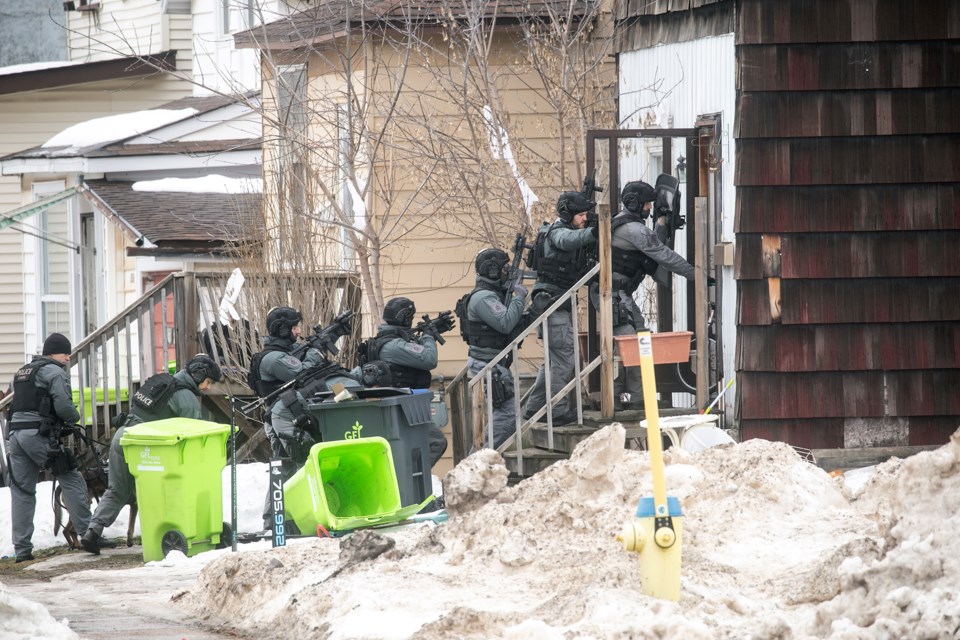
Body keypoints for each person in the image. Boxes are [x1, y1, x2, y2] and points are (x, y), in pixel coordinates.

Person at [81, 354, 223, 554]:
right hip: (144, 446)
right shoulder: (186, 397)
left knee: (117, 490)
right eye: (208, 382)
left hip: (122, 437)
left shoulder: (162, 382)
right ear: (198, 375)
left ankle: (92, 532)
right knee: (161, 491)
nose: (208, 388)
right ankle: (170, 532)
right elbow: (194, 434)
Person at [600, 179, 697, 408]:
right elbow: (663, 255)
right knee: (632, 343)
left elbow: (652, 244)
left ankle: (631, 397)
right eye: (646, 204)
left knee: (636, 338)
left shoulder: (627, 224)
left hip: (618, 295)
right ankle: (628, 400)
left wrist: (662, 224)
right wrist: (697, 275)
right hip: (613, 295)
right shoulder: (633, 229)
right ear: (635, 204)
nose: (649, 208)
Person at [6, 333, 92, 563]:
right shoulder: (55, 372)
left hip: (15, 436)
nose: (68, 357)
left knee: (22, 492)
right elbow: (63, 407)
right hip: (38, 435)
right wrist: (74, 417)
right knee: (72, 478)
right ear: (54, 353)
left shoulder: (23, 372)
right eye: (66, 353)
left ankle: (22, 549)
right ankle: (89, 535)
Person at [521, 190, 599, 426]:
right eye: (581, 215)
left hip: (555, 303)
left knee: (554, 360)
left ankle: (535, 406)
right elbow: (569, 240)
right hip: (552, 303)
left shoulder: (560, 229)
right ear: (568, 215)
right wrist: (596, 231)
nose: (584, 218)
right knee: (566, 358)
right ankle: (555, 410)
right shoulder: (558, 233)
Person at [248, 306, 324, 532]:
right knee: (291, 464)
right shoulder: (273, 357)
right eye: (294, 327)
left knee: (286, 467)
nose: (298, 331)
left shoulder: (283, 352)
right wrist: (315, 353)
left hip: (286, 414)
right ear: (282, 330)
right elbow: (301, 372)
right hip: (281, 417)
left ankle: (276, 519)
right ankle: (275, 521)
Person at [362, 297, 452, 467]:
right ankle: (409, 481)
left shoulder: (392, 339)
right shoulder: (393, 345)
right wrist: (428, 336)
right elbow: (429, 359)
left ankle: (409, 480)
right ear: (405, 317)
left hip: (405, 406)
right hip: (402, 409)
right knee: (436, 442)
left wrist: (431, 332)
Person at [455, 248, 528, 449]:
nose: (506, 271)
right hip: (488, 365)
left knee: (505, 415)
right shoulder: (484, 298)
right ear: (493, 271)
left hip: (494, 364)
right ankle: (475, 463)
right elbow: (505, 323)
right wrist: (519, 297)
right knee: (506, 415)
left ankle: (480, 461)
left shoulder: (491, 295)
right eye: (504, 267)